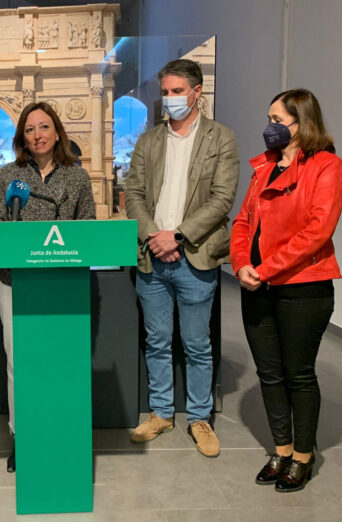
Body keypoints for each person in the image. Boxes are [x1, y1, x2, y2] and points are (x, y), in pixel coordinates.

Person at [230, 89, 342, 492]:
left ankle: (302, 455)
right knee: (269, 373)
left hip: (303, 288)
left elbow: (318, 230)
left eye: (278, 121)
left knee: (297, 374)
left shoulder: (327, 166)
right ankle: (280, 450)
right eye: (269, 119)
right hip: (256, 284)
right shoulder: (263, 167)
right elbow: (243, 221)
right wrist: (242, 263)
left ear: (302, 123)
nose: (270, 128)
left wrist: (264, 268)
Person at [124, 59, 239, 457]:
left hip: (196, 256)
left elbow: (222, 199)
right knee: (156, 341)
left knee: (197, 344)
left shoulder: (221, 139)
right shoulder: (148, 141)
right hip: (152, 258)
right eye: (166, 92)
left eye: (176, 91)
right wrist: (153, 236)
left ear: (196, 93)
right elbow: (134, 194)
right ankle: (160, 413)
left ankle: (200, 418)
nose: (169, 99)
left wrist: (178, 235)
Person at [0, 101, 96, 472]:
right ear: (22, 137)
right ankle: (22, 436)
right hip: (15, 284)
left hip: (65, 286)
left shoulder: (77, 177)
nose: (38, 135)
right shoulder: (6, 176)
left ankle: (59, 431)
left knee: (61, 363)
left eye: (44, 127)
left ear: (57, 132)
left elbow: (87, 228)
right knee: (20, 365)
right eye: (30, 130)